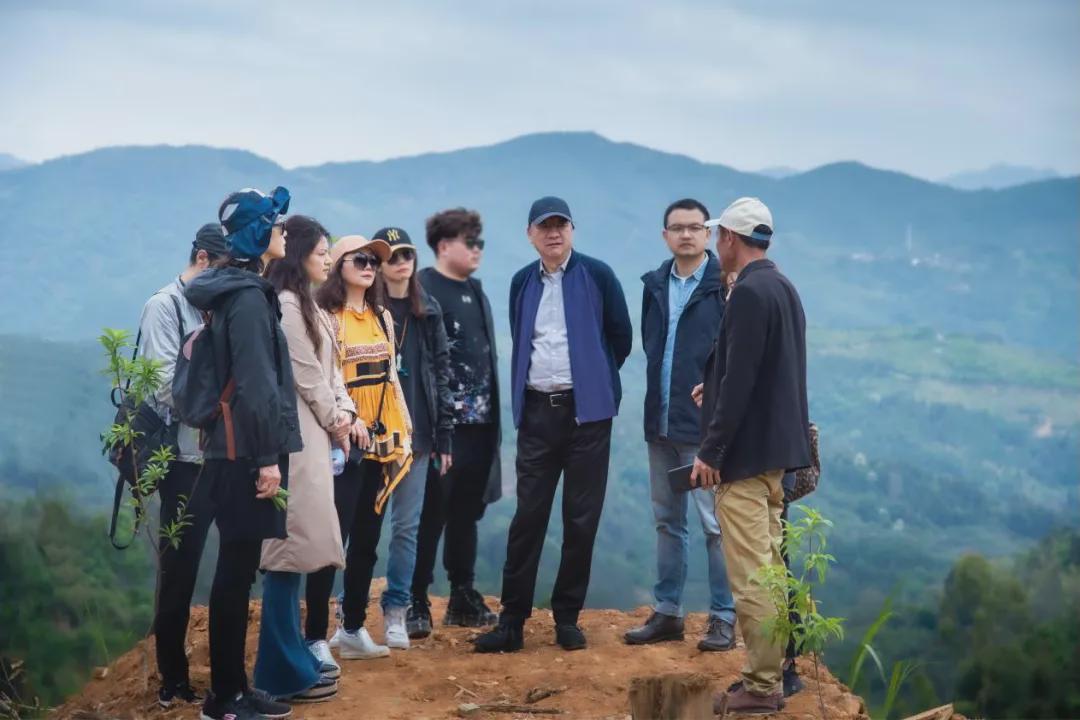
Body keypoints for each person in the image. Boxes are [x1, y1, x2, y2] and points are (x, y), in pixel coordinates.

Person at [475, 196, 632, 653]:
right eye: (545, 226)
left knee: (580, 520)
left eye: (561, 224)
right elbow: (522, 336)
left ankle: (567, 618)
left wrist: (595, 377)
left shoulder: (598, 275)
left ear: (572, 230)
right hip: (537, 414)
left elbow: (619, 338)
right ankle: (511, 622)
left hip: (588, 417)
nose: (554, 233)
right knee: (528, 517)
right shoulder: (522, 282)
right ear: (530, 235)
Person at [689, 197, 811, 715]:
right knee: (774, 568)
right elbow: (767, 372)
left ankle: (762, 686)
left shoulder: (747, 295)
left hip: (742, 459)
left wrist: (711, 449)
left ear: (730, 239)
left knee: (752, 577)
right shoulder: (783, 288)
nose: (717, 245)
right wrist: (715, 388)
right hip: (777, 456)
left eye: (719, 236)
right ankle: (780, 669)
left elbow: (742, 379)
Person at [184, 186, 299, 720]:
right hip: (246, 453)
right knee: (235, 573)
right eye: (275, 225)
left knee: (236, 569)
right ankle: (226, 698)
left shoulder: (232, 290)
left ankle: (233, 690)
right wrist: (268, 459)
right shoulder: (249, 298)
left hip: (229, 449)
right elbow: (256, 384)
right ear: (258, 235)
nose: (283, 232)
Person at [625, 199, 737, 651]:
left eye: (695, 227)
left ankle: (723, 617)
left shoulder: (724, 287)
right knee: (667, 522)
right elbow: (652, 347)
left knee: (715, 526)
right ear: (665, 235)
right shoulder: (654, 286)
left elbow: (734, 355)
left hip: (705, 429)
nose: (686, 234)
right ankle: (668, 612)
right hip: (661, 422)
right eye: (677, 228)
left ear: (708, 234)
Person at [253, 215, 355, 702]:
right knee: (287, 549)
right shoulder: (289, 306)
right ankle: (280, 670)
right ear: (299, 255)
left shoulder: (305, 302)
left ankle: (292, 657)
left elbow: (330, 373)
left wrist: (340, 416)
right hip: (296, 441)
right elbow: (307, 375)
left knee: (298, 549)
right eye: (321, 252)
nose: (328, 259)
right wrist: (338, 421)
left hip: (311, 439)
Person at [306, 234, 413, 661]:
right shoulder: (325, 317)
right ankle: (314, 637)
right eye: (360, 260)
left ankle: (351, 627)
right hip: (342, 442)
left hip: (380, 441)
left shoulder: (382, 317)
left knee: (367, 540)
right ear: (338, 266)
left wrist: (404, 428)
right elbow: (322, 379)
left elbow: (391, 379)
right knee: (331, 541)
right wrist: (343, 424)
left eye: (373, 261)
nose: (370, 266)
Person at [139, 223, 225, 709]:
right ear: (202, 258)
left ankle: (226, 675)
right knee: (180, 569)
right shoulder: (165, 306)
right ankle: (173, 678)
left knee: (231, 562)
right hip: (183, 460)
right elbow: (162, 385)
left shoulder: (217, 305)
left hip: (221, 455)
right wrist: (221, 410)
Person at [408, 208, 502, 637]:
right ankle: (416, 599)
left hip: (480, 425)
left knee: (467, 511)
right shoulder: (423, 288)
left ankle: (462, 594)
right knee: (431, 512)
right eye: (471, 242)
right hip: (441, 428)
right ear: (444, 246)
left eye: (480, 242)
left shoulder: (475, 290)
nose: (478, 250)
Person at [372, 226, 454, 648]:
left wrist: (445, 437)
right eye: (393, 255)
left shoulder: (429, 310)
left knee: (406, 527)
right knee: (363, 528)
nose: (402, 261)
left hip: (417, 436)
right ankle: (349, 611)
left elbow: (441, 374)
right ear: (379, 264)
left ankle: (396, 611)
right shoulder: (366, 310)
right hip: (372, 436)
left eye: (407, 254)